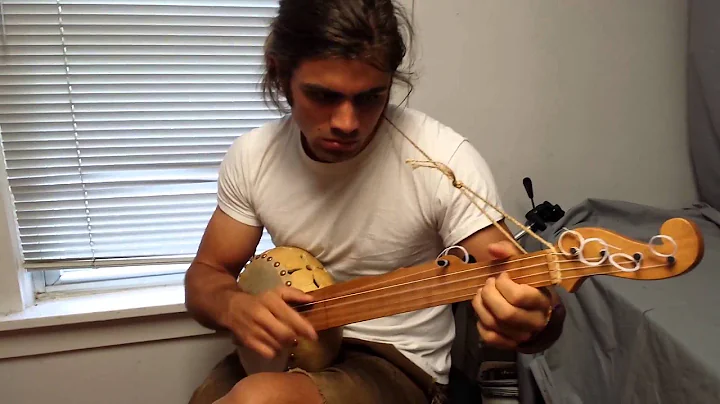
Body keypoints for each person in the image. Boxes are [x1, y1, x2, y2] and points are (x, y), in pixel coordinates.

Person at [184, 1, 565, 403]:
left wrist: (538, 319)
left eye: (370, 98)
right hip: (291, 350)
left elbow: (532, 295)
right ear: (280, 75)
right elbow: (206, 273)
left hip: (394, 362)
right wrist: (233, 306)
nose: (347, 123)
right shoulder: (253, 156)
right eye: (323, 95)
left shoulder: (441, 161)